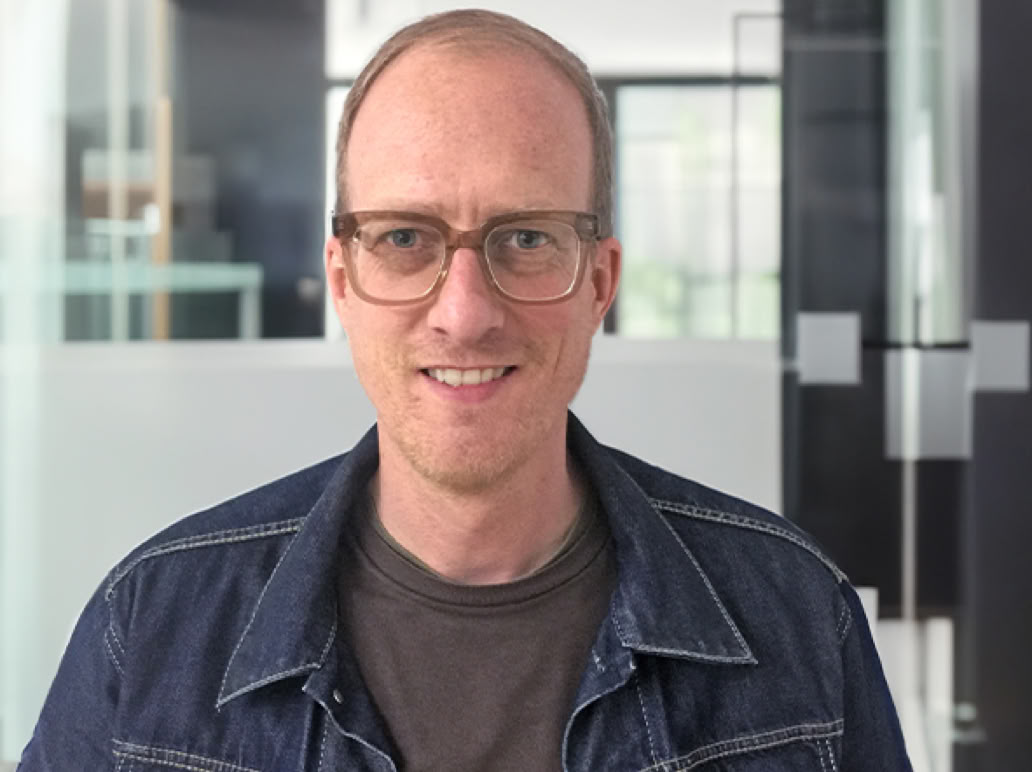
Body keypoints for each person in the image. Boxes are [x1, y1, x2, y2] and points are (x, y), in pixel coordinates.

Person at [20, 9, 911, 771]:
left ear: (600, 282)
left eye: (525, 238)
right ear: (342, 279)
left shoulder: (794, 614)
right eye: (405, 238)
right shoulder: (149, 627)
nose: (464, 313)